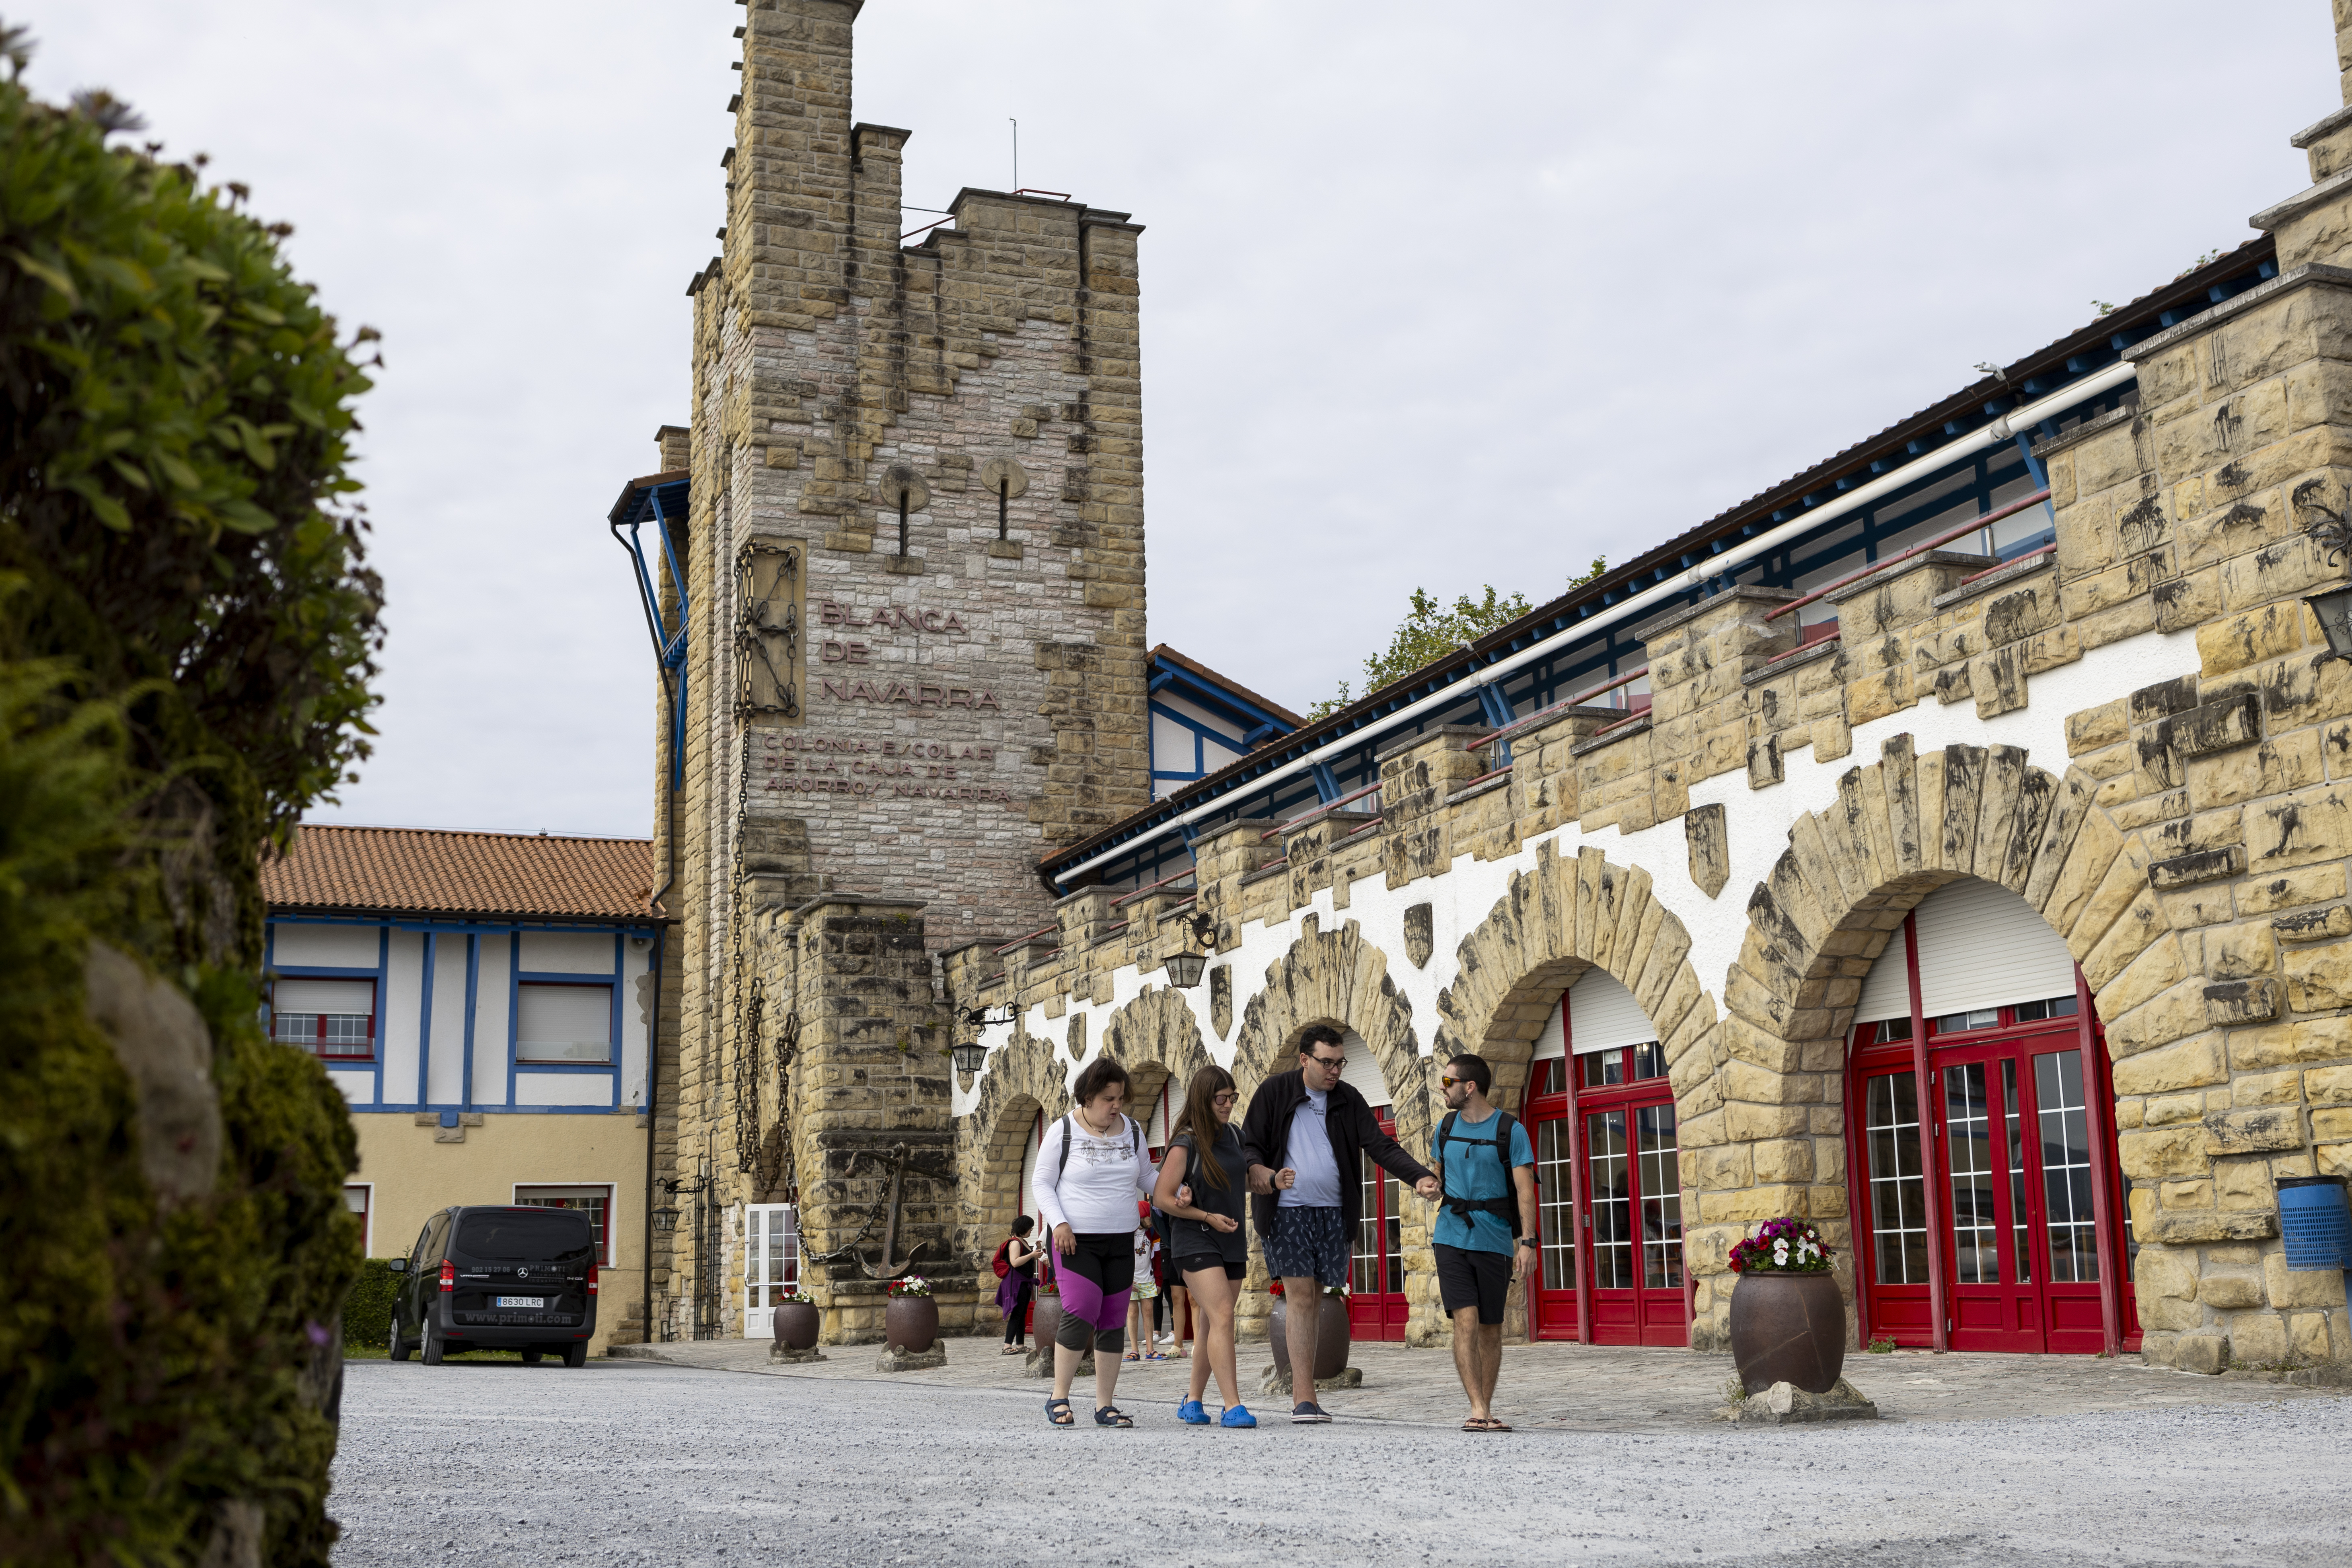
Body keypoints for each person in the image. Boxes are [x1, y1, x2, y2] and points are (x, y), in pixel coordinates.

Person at [1239, 1024, 1439, 1422]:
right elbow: (1248, 1146)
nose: (1334, 1070)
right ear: (1304, 1059)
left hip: (1334, 1212)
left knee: (1315, 1298)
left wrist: (1417, 1175)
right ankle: (1303, 1396)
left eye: (1339, 1062)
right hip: (1288, 1210)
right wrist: (1262, 1172)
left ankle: (1306, 1389)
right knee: (1299, 1296)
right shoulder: (1275, 1092)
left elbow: (1380, 1144)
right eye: (1326, 1062)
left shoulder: (1348, 1098)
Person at [1030, 1056, 1160, 1427]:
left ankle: (1105, 1405)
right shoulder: (1064, 1130)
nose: (1116, 1105)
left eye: (1120, 1098)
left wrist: (1175, 1191)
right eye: (1108, 1099)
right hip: (1074, 1240)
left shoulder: (1132, 1130)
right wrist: (1060, 1223)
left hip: (1121, 1238)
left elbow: (1147, 1176)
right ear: (1087, 1096)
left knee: (1114, 1318)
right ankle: (1058, 1395)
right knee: (1082, 1307)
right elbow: (1041, 1182)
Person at [1429, 1051, 1538, 1432]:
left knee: (1492, 1327)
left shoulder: (1510, 1130)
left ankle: (1486, 1407)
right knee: (1467, 1319)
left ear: (1469, 1087)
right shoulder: (1444, 1127)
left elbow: (1526, 1191)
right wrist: (1431, 1186)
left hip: (1493, 1239)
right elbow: (1439, 1176)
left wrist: (1529, 1241)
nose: (1442, 1088)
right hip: (1450, 1235)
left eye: (1448, 1082)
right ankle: (1477, 1407)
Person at [1152, 1063, 1255, 1427]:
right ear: (1203, 1099)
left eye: (1232, 1097)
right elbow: (1162, 1197)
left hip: (1231, 1238)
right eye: (1221, 1099)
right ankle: (1233, 1405)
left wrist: (1273, 1179)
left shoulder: (1236, 1136)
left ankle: (1192, 1400)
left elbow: (1240, 1181)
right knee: (1224, 1313)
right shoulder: (1187, 1141)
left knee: (1214, 1322)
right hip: (1195, 1237)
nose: (1228, 1104)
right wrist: (1204, 1215)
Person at [995, 1215, 1041, 1355]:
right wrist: (1032, 1255)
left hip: (1024, 1283)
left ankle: (1020, 1345)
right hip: (1017, 1283)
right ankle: (1007, 1346)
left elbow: (1028, 1257)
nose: (1031, 1231)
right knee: (1016, 1313)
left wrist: (1036, 1250)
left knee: (1022, 1314)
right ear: (1024, 1228)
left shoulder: (1023, 1242)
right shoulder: (1015, 1243)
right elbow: (1015, 1262)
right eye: (1030, 1228)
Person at [1125, 1212, 1160, 1362]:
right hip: (1131, 1280)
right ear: (1141, 1217)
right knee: (1132, 1313)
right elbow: (1120, 1257)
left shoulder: (1153, 1233)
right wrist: (1126, 1280)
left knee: (1148, 1311)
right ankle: (1134, 1351)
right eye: (1148, 1218)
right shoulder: (1126, 1233)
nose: (1151, 1221)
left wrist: (1159, 1280)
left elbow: (1158, 1257)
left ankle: (1150, 1350)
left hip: (1148, 1278)